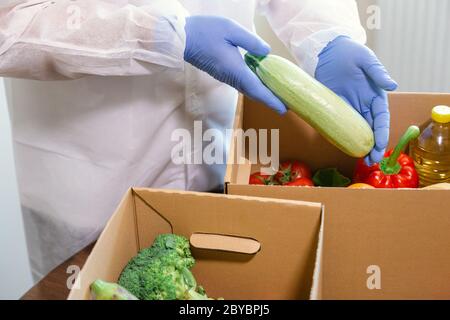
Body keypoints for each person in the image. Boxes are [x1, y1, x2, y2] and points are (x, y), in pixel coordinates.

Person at [0, 0, 396, 282]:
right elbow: (9, 24)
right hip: (89, 189)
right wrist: (160, 35)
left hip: (215, 163)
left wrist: (327, 35)